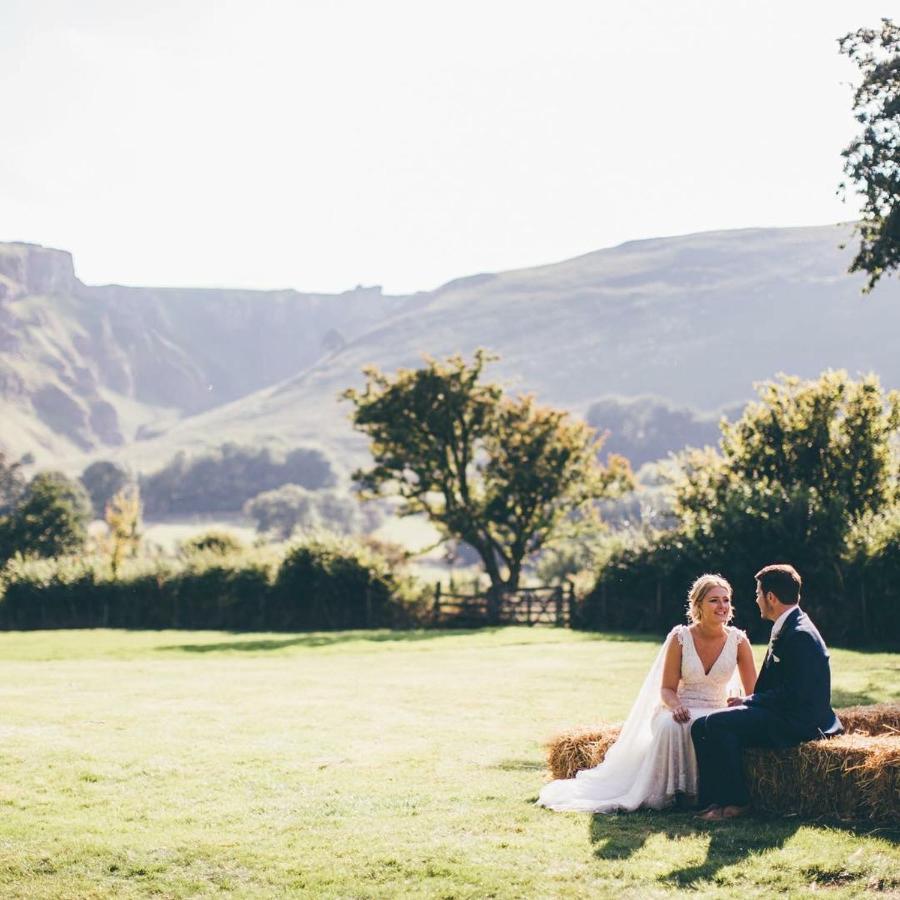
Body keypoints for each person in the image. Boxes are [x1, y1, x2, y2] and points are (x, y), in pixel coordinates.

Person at [537, 574, 756, 813]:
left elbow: (754, 691)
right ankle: (677, 794)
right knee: (672, 725)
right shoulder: (680, 638)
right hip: (680, 705)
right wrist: (676, 706)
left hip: (716, 708)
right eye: (714, 600)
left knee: (711, 726)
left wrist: (742, 701)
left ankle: (705, 795)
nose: (722, 606)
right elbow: (667, 688)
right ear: (698, 605)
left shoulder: (738, 641)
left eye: (726, 600)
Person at [690, 564, 842, 821]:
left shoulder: (800, 633)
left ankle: (738, 802)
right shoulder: (790, 624)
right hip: (785, 712)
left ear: (771, 597)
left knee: (717, 723)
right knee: (699, 726)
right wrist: (750, 704)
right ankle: (712, 799)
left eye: (759, 594)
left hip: (799, 722)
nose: (757, 600)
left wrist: (749, 701)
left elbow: (796, 693)